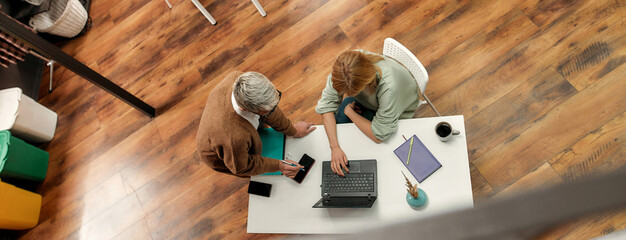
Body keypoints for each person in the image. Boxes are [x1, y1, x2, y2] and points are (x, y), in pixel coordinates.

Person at [315, 50, 420, 176]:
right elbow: (326, 107)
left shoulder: (389, 87)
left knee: (373, 152)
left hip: (398, 106)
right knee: (344, 136)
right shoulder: (344, 69)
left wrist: (350, 113)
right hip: (370, 102)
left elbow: (379, 135)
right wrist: (334, 147)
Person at [197, 71, 316, 178]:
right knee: (259, 177)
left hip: (233, 135)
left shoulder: (238, 78)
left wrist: (292, 130)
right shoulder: (234, 138)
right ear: (245, 109)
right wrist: (279, 165)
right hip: (224, 154)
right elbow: (242, 167)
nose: (273, 110)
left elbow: (270, 110)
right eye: (266, 111)